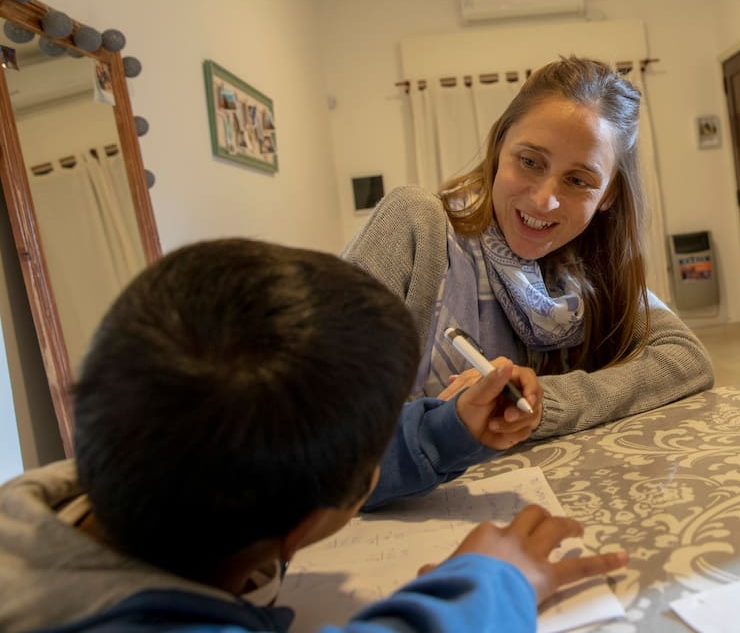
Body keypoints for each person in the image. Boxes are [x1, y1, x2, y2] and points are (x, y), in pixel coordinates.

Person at [0, 239, 626, 632]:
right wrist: (487, 584)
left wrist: (448, 429)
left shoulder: (95, 484)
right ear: (306, 525)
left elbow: (281, 450)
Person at [344, 56, 714, 501]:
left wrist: (544, 406)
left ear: (608, 195)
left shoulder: (587, 266)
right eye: (530, 162)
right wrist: (454, 426)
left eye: (578, 180)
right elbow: (316, 431)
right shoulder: (416, 225)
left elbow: (685, 361)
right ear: (500, 146)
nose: (544, 201)